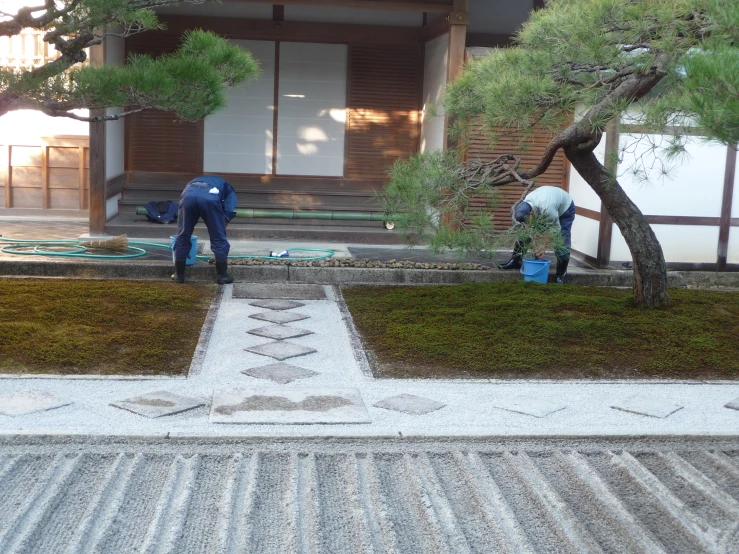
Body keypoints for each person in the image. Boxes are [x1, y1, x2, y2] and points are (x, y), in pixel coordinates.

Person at [500, 186, 576, 284]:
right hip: (544, 204)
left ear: (531, 214)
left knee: (562, 239)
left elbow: (555, 230)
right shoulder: (523, 204)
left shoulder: (547, 208)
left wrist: (542, 245)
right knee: (524, 234)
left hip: (565, 208)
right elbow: (525, 230)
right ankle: (516, 261)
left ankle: (560, 274)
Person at [172, 175, 237, 284]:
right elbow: (229, 206)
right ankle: (222, 276)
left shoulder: (194, 181)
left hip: (188, 195)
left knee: (183, 234)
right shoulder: (227, 187)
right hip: (209, 198)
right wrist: (224, 221)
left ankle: (179, 275)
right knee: (218, 236)